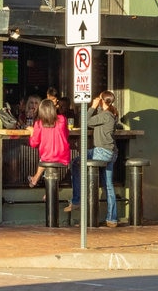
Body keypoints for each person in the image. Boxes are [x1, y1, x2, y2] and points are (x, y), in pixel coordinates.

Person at [65, 90, 120, 227]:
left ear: (103, 101)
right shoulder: (110, 115)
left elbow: (85, 121)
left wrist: (92, 106)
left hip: (102, 151)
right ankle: (112, 219)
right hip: (111, 153)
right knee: (108, 185)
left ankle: (77, 200)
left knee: (76, 162)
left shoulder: (105, 115)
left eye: (99, 99)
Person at [27, 98, 70, 188]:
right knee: (48, 159)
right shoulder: (62, 119)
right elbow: (66, 134)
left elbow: (34, 144)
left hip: (47, 157)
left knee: (45, 159)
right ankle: (49, 191)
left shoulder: (39, 123)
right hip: (63, 155)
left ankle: (37, 181)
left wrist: (32, 132)